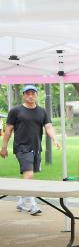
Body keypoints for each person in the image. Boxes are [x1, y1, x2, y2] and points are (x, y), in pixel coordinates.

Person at [0, 85, 61, 215]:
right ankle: (32, 205)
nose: (30, 96)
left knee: (29, 176)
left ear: (37, 95)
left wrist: (55, 139)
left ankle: (21, 202)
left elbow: (48, 127)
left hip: (36, 148)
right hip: (22, 147)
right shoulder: (15, 111)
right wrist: (4, 147)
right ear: (23, 95)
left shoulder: (42, 111)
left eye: (33, 93)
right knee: (29, 174)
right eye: (27, 93)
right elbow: (8, 130)